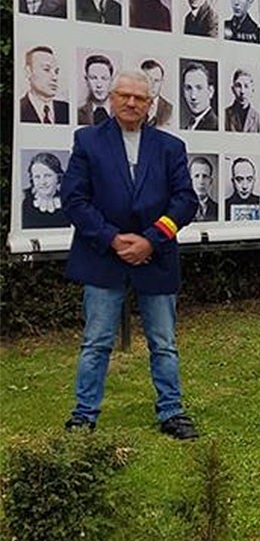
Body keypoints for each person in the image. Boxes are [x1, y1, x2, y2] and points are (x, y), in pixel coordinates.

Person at [61, 70, 200, 440]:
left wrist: (151, 240)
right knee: (96, 342)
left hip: (155, 257)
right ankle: (84, 415)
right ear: (111, 97)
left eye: (140, 98)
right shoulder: (88, 141)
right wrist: (112, 238)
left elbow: (186, 200)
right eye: (125, 95)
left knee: (164, 343)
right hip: (103, 256)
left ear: (151, 104)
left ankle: (172, 412)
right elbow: (74, 199)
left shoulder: (170, 146)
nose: (131, 102)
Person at [20, 46, 70, 125]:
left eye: (56, 72)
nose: (54, 77)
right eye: (46, 69)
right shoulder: (19, 109)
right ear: (28, 72)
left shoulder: (66, 109)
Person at [22, 152, 71, 229]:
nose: (43, 182)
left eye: (48, 176)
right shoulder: (23, 204)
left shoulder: (70, 202)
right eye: (37, 177)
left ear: (58, 177)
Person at [181, 61, 218, 131]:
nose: (193, 96)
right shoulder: (189, 126)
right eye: (188, 88)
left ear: (210, 91)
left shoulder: (215, 125)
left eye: (199, 88)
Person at [78, 55, 114, 126]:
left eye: (104, 78)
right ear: (86, 80)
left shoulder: (121, 113)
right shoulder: (78, 114)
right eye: (93, 78)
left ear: (111, 80)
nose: (99, 85)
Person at [141, 60, 173, 128]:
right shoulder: (132, 106)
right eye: (148, 80)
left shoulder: (170, 109)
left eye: (156, 80)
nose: (152, 85)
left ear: (162, 82)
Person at [189, 156, 218, 221]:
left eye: (205, 176)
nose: (201, 181)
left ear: (210, 181)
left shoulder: (218, 209)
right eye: (196, 176)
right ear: (190, 181)